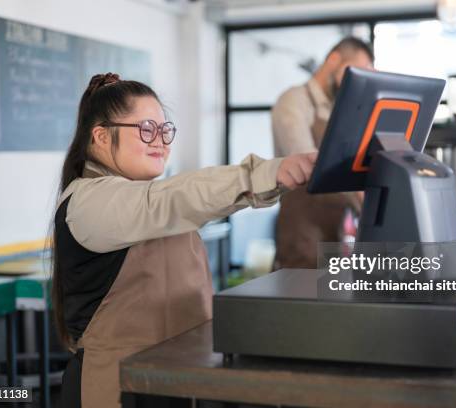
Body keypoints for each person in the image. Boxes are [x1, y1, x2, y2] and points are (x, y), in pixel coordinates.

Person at [52, 73, 317, 408]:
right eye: (146, 130)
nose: (160, 141)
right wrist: (265, 174)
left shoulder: (147, 199)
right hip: (119, 389)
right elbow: (173, 197)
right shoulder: (89, 202)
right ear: (101, 137)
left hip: (173, 380)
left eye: (165, 131)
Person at [272, 36, 374, 269]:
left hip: (334, 233)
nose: (355, 82)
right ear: (333, 59)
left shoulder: (339, 109)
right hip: (301, 232)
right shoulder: (294, 101)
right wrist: (361, 198)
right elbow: (308, 163)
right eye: (353, 71)